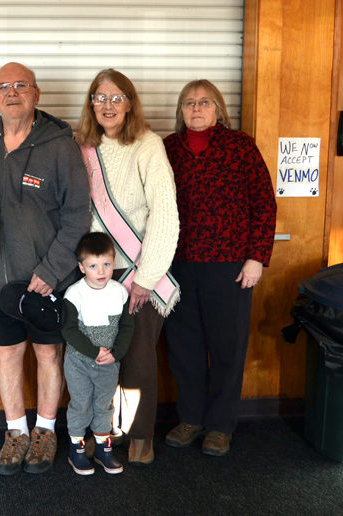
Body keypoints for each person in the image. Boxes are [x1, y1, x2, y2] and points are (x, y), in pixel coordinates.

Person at [0, 62, 91, 475]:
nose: (13, 92)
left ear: (36, 94)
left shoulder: (60, 145)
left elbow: (78, 215)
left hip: (48, 279)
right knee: (7, 356)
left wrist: (53, 269)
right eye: (4, 86)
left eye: (22, 85)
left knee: (47, 354)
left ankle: (45, 430)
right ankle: (16, 432)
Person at [163, 80, 276, 456]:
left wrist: (257, 256)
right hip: (178, 264)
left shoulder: (240, 146)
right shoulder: (167, 149)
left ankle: (221, 426)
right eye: (189, 103)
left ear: (218, 109)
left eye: (204, 102)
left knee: (228, 347)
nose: (196, 108)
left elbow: (264, 203)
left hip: (230, 266)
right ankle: (191, 418)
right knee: (184, 347)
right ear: (181, 111)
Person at [75, 68, 180, 466]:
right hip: (94, 275)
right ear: (91, 105)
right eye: (100, 98)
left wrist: (146, 278)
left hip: (136, 271)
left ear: (130, 103)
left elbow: (165, 214)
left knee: (136, 356)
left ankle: (139, 436)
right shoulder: (81, 146)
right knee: (97, 358)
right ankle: (105, 433)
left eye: (116, 97)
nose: (107, 105)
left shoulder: (148, 145)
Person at [61, 232, 133, 476]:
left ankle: (104, 450)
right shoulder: (74, 294)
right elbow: (69, 330)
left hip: (109, 363)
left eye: (106, 264)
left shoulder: (120, 292)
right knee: (81, 405)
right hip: (80, 362)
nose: (101, 271)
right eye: (93, 266)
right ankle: (77, 451)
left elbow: (126, 326)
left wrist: (117, 354)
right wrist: (93, 352)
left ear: (114, 263)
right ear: (82, 267)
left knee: (104, 406)